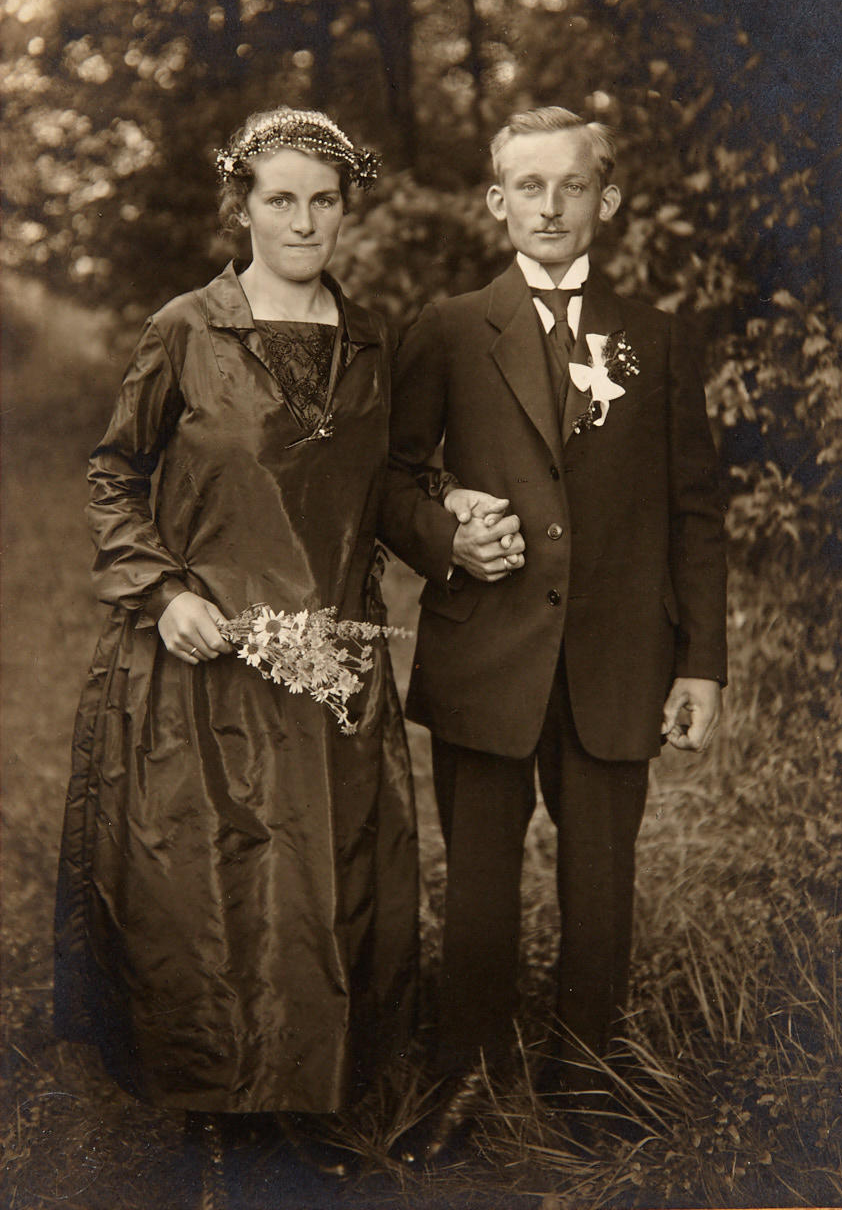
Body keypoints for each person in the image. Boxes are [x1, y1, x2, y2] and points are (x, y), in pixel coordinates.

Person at [54, 108, 418, 1186]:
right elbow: (113, 472)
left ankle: (310, 1103)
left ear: (346, 207)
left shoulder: (372, 342)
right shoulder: (184, 329)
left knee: (323, 880)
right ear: (243, 206)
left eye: (323, 199)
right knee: (206, 887)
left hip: (327, 660)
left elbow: (389, 490)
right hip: (201, 659)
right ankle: (209, 1103)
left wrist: (461, 529)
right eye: (279, 198)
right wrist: (162, 591)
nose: (302, 219)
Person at [380, 106, 727, 1146]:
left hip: (618, 659)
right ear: (496, 202)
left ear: (604, 201)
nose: (549, 205)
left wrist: (701, 662)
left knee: (601, 883)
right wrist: (447, 533)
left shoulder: (656, 336)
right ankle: (463, 1076)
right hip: (487, 655)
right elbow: (393, 484)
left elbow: (694, 510)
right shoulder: (445, 327)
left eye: (570, 186)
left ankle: (591, 1080)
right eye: (527, 187)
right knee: (478, 883)